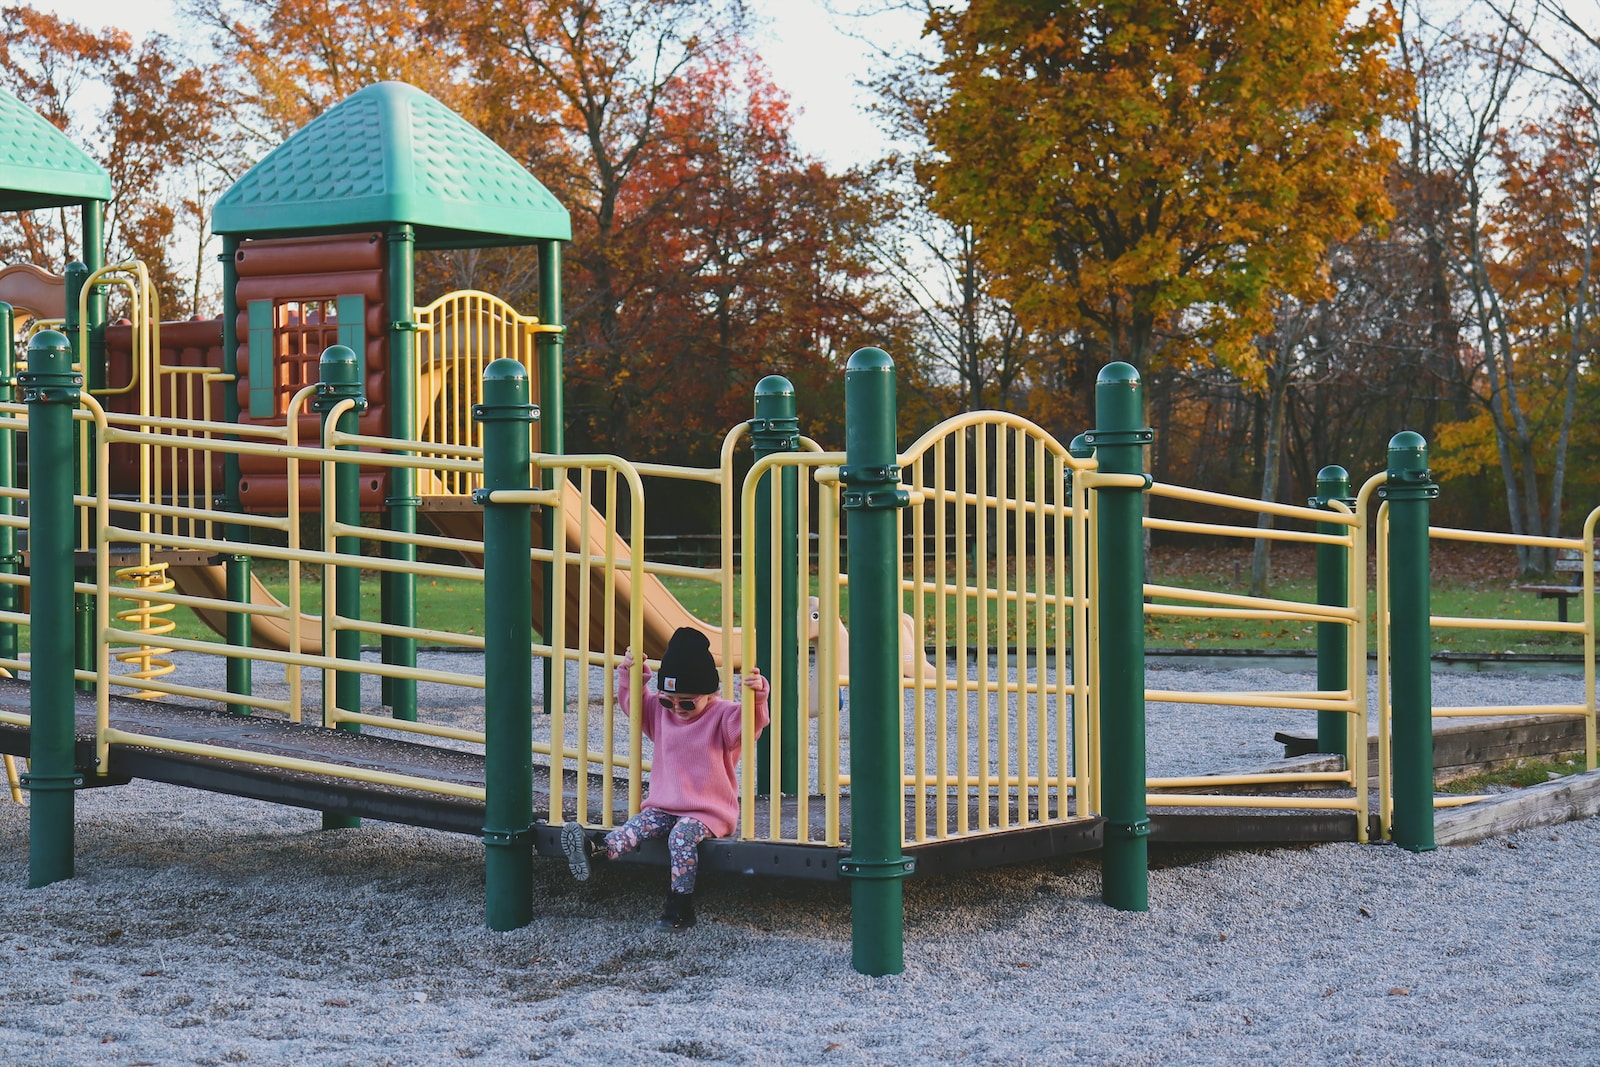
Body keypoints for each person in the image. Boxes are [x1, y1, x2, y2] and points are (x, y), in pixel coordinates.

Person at [562, 627, 770, 930]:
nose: (676, 708)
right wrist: (633, 673)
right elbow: (635, 703)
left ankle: (680, 906)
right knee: (637, 824)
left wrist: (756, 697)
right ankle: (598, 851)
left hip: (708, 812)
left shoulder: (723, 715)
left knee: (680, 837)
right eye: (667, 700)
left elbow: (749, 726)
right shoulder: (662, 714)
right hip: (664, 805)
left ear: (710, 695)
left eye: (687, 702)